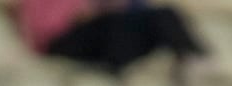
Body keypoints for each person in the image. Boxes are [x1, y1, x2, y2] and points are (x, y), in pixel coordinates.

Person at [17, 0, 206, 77]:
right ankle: (191, 55)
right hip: (61, 41)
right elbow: (39, 31)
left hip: (97, 34)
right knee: (117, 24)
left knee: (163, 15)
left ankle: (191, 54)